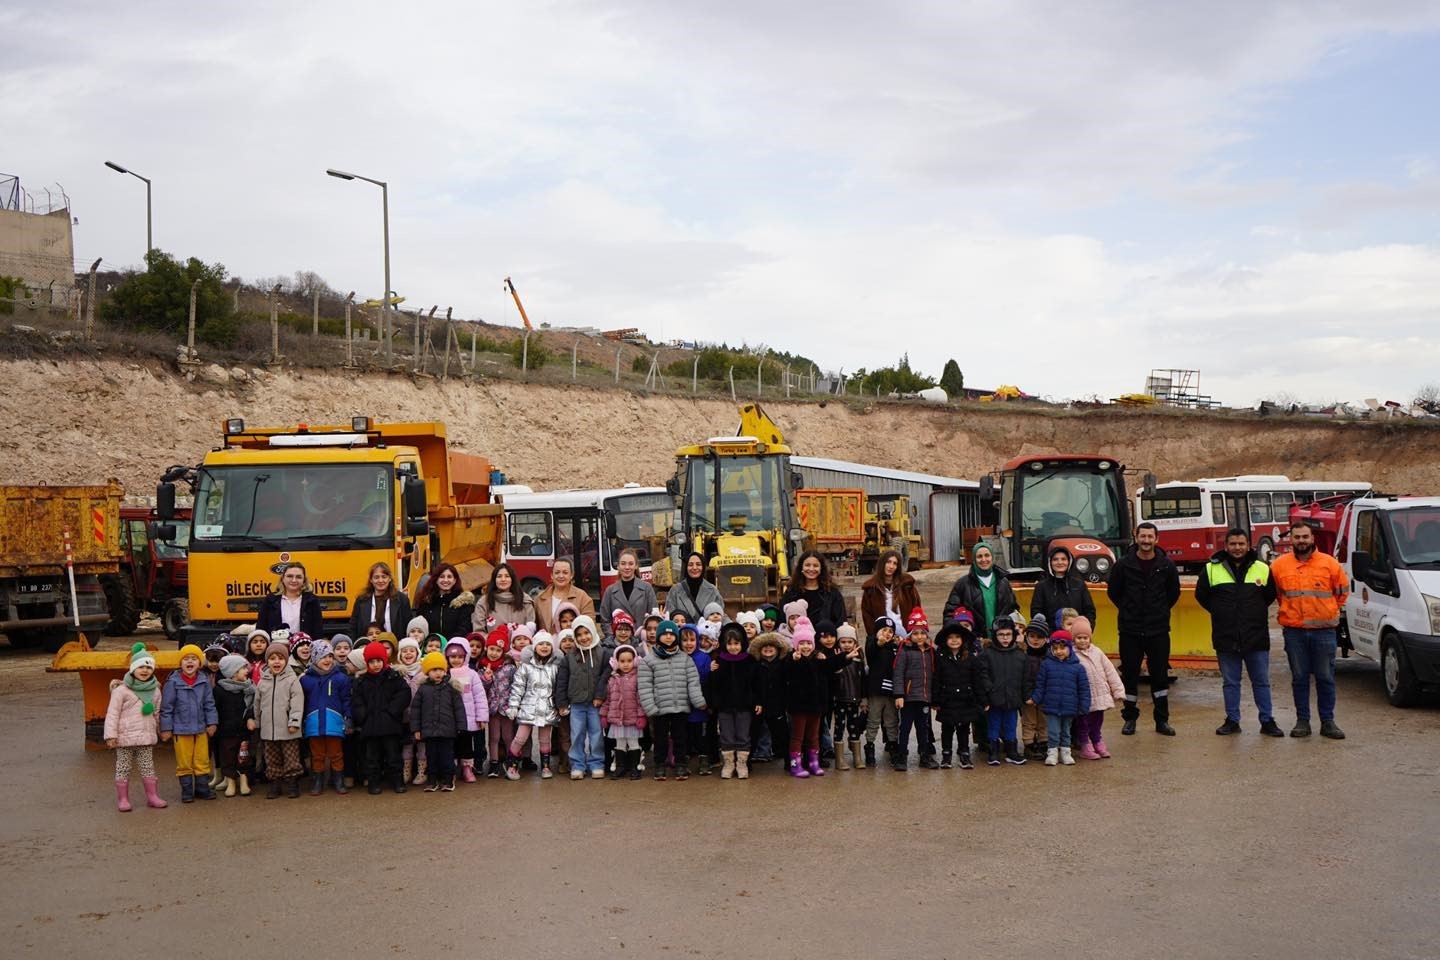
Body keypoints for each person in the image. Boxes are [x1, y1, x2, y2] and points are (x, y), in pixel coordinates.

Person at [1195, 527, 1284, 738]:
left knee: (1261, 681)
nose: (1237, 548)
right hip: (1226, 636)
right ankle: (1232, 720)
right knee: (1230, 682)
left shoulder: (1262, 568)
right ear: (1226, 546)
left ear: (1248, 545)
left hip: (1256, 636)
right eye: (1233, 544)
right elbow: (1202, 597)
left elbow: (1269, 596)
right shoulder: (1210, 569)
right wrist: (1222, 612)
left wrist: (1249, 614)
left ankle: (1267, 720)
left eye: (1241, 544)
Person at [1271, 520, 1349, 740]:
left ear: (1312, 538)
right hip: (1294, 632)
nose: (1301, 541)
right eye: (1297, 537)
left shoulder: (1330, 564)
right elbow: (1276, 594)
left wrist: (1328, 611)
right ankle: (1302, 721)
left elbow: (1342, 593)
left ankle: (1328, 722)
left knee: (1325, 677)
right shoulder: (1279, 566)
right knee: (1299, 678)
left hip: (1324, 632)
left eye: (1305, 537)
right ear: (1291, 539)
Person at [1107, 522, 1182, 736]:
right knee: (1129, 675)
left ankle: (1162, 721)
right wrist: (1129, 609)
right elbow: (1114, 592)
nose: (1146, 540)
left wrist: (1158, 610)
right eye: (1143, 536)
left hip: (1157, 630)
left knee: (1159, 676)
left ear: (1156, 539)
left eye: (1150, 537)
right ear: (1136, 537)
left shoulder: (1166, 565)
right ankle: (1130, 718)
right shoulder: (1122, 565)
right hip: (1130, 630)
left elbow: (1173, 593)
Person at [638, 620, 706, 781]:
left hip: (680, 707)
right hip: (660, 709)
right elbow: (644, 686)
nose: (668, 637)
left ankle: (681, 765)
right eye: (665, 634)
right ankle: (660, 766)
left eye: (671, 634)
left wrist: (699, 701)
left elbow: (693, 682)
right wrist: (650, 707)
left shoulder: (685, 659)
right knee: (660, 739)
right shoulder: (649, 661)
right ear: (659, 636)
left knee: (681, 738)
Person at [104, 643, 168, 811]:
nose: (145, 670)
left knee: (148, 768)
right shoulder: (121, 691)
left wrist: (162, 731)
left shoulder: (155, 691)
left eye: (148, 667)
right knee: (123, 768)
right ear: (133, 668)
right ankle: (123, 799)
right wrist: (111, 735)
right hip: (124, 738)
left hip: (145, 737)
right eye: (141, 666)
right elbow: (112, 714)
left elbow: (157, 713)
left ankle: (152, 797)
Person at [160, 644, 219, 803]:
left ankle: (202, 788)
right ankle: (186, 791)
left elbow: (209, 704)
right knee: (184, 761)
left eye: (194, 659)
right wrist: (166, 728)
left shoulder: (203, 681)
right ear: (181, 663)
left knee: (202, 760)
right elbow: (166, 708)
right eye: (186, 659)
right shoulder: (172, 682)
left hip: (200, 729)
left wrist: (212, 723)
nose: (190, 662)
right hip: (181, 730)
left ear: (199, 663)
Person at [555, 614, 612, 780]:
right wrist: (562, 703)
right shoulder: (569, 658)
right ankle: (578, 765)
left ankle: (596, 763)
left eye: (586, 633)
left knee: (596, 735)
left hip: (595, 703)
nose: (583, 637)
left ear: (593, 632)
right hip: (576, 704)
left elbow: (605, 677)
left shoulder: (603, 654)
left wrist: (600, 696)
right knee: (577, 734)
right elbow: (562, 681)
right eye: (579, 635)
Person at [351, 640, 411, 795]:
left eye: (378, 661)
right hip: (370, 727)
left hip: (390, 725)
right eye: (372, 662)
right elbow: (357, 702)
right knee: (372, 758)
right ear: (367, 663)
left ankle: (397, 782)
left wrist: (392, 711)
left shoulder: (394, 676)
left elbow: (404, 693)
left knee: (393, 756)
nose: (376, 664)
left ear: (384, 660)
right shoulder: (361, 681)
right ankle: (374, 782)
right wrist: (363, 716)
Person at [933, 618, 989, 770]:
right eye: (950, 638)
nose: (954, 640)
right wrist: (935, 700)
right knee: (947, 728)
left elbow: (977, 681)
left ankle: (964, 753)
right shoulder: (940, 658)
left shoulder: (971, 658)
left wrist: (983, 700)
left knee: (964, 728)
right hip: (947, 700)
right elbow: (936, 680)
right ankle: (946, 754)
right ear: (945, 640)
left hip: (966, 699)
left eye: (957, 637)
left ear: (963, 639)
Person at [505, 631, 561, 780]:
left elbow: (558, 690)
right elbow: (518, 688)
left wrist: (560, 705)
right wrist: (513, 706)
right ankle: (512, 765)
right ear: (534, 647)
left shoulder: (555, 668)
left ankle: (545, 766)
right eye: (541, 644)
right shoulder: (525, 667)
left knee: (545, 740)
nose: (544, 647)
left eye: (548, 644)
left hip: (547, 709)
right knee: (520, 738)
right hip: (528, 708)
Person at [1031, 630, 1091, 766]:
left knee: (1066, 731)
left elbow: (1084, 689)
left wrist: (1084, 706)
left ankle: (1066, 753)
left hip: (1070, 706)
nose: (1059, 651)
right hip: (1051, 706)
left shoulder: (1078, 668)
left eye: (1062, 648)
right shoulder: (1046, 665)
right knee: (1053, 731)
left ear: (1069, 648)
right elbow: (1041, 684)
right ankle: (1052, 753)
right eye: (1055, 648)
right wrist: (1035, 698)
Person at [254, 639, 305, 799]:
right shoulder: (263, 681)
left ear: (286, 660)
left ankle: (292, 783)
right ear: (267, 661)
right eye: (273, 658)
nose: (277, 662)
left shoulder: (292, 680)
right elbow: (257, 703)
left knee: (291, 758)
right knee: (271, 758)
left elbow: (297, 702)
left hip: (288, 728)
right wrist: (257, 722)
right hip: (269, 729)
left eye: (280, 658)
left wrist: (295, 721)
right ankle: (275, 783)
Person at [1069, 617, 1125, 759]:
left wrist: (1118, 690)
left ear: (1090, 637)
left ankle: (1097, 741)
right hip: (1083, 698)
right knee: (1083, 723)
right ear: (1074, 639)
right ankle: (1085, 744)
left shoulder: (1097, 652)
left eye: (1085, 637)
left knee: (1097, 722)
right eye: (1079, 637)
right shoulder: (1071, 655)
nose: (1082, 640)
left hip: (1099, 695)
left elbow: (1110, 671)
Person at [300, 638, 351, 795]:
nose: (327, 660)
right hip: (314, 723)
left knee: (336, 754)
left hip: (334, 722)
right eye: (323, 657)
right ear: (315, 658)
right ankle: (317, 781)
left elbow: (347, 700)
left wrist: (348, 718)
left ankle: (338, 780)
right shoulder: (305, 680)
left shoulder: (340, 678)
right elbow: (301, 703)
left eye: (330, 656)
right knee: (317, 754)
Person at [412, 650, 466, 792]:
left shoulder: (451, 688)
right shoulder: (423, 689)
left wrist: (461, 726)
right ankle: (432, 780)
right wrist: (416, 729)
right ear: (427, 672)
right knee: (432, 757)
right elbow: (416, 710)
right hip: (429, 731)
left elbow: (459, 708)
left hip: (447, 731)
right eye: (434, 670)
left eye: (441, 669)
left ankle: (448, 780)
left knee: (447, 756)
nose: (438, 673)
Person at [891, 610, 938, 771]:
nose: (919, 636)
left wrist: (934, 696)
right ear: (910, 634)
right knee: (905, 728)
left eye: (922, 633)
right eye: (915, 633)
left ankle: (924, 755)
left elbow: (934, 675)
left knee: (923, 728)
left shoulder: (931, 652)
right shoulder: (904, 651)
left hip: (924, 697)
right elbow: (898, 673)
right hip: (908, 697)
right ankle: (901, 756)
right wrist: (899, 694)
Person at [709, 622, 757, 779]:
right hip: (725, 707)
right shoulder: (718, 661)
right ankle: (728, 763)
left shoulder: (749, 661)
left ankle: (741, 763)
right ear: (724, 644)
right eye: (729, 644)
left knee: (743, 735)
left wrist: (757, 701)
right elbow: (714, 685)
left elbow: (756, 684)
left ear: (742, 643)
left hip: (744, 706)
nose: (733, 647)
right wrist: (713, 672)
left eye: (736, 644)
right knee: (726, 735)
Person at [783, 616, 829, 778]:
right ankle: (796, 765)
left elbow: (826, 676)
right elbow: (785, 674)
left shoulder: (817, 659)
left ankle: (813, 763)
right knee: (797, 736)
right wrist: (792, 661)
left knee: (813, 736)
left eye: (808, 643)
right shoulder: (791, 659)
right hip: (798, 706)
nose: (805, 646)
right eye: (801, 643)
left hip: (815, 706)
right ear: (796, 645)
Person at [943, 544, 1020, 640]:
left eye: (987, 555)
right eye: (979, 556)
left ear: (992, 557)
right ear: (974, 560)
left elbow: (1013, 609)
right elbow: (950, 613)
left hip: (1001, 641)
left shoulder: (1003, 582)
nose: (984, 560)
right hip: (974, 641)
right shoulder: (963, 584)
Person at [982, 617, 1028, 765]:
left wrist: (1024, 695)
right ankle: (993, 751)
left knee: (1011, 725)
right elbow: (983, 675)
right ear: (995, 635)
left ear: (1013, 635)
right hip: (994, 699)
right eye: (1001, 635)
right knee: (994, 725)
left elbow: (1024, 678)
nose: (1005, 638)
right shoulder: (987, 654)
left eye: (1008, 634)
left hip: (1013, 699)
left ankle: (1012, 751)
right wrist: (989, 692)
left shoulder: (1020, 655)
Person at [444, 636, 489, 783]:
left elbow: (479, 696)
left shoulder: (472, 674)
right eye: (452, 657)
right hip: (449, 719)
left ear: (466, 656)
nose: (456, 660)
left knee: (466, 744)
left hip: (467, 718)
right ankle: (452, 768)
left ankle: (467, 768)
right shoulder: (444, 674)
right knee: (451, 745)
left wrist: (481, 717)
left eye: (459, 657)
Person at [601, 644, 646, 780]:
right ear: (616, 662)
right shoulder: (612, 679)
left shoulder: (638, 678)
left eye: (629, 661)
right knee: (619, 743)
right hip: (617, 720)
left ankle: (635, 767)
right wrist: (604, 714)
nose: (626, 664)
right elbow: (608, 698)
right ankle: (620, 767)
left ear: (635, 661)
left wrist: (641, 715)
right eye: (622, 661)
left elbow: (640, 698)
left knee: (633, 743)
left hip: (632, 719)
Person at [212, 653, 255, 796]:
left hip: (243, 731)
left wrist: (250, 718)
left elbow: (251, 706)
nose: (247, 670)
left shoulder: (248, 689)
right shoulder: (219, 690)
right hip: (226, 732)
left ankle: (244, 782)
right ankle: (230, 782)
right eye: (243, 668)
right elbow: (215, 709)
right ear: (233, 672)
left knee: (244, 757)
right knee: (227, 758)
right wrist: (214, 725)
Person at [478, 625, 518, 777]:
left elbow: (516, 686)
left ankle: (510, 761)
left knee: (508, 737)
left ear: (503, 651)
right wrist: (486, 679)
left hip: (507, 708)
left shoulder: (509, 668)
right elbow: (481, 689)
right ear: (487, 648)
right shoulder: (481, 667)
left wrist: (514, 705)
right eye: (491, 649)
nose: (494, 653)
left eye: (498, 650)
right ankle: (494, 763)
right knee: (494, 737)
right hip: (493, 709)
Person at [863, 615, 901, 768]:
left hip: (891, 691)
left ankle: (892, 746)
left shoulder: (894, 647)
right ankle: (870, 747)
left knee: (891, 721)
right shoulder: (872, 642)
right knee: (873, 720)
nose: (887, 633)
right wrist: (879, 643)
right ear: (877, 631)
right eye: (884, 630)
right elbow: (870, 653)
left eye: (890, 631)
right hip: (876, 690)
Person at [1030, 546, 1097, 631]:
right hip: (1050, 636)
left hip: (1076, 636)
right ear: (1050, 562)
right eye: (1055, 559)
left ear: (1069, 562)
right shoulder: (1041, 586)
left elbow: (1089, 611)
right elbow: (1036, 611)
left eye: (1063, 559)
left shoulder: (1079, 585)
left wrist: (1085, 630)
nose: (1059, 562)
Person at [598, 548, 659, 640]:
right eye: (623, 564)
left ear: (636, 566)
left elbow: (653, 617)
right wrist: (613, 638)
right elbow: (605, 620)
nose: (627, 567)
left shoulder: (647, 588)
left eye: (631, 564)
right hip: (618, 643)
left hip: (641, 641)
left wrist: (646, 636)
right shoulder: (610, 591)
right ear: (618, 566)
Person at [749, 631, 790, 766]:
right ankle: (747, 762)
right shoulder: (755, 665)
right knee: (753, 734)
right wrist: (756, 702)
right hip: (759, 706)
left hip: (777, 705)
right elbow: (751, 686)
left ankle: (789, 762)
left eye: (771, 646)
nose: (768, 648)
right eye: (764, 646)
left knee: (782, 735)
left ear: (778, 649)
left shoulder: (783, 664)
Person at [830, 625, 867, 770]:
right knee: (839, 728)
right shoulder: (835, 659)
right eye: (843, 642)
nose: (846, 645)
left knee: (854, 727)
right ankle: (839, 759)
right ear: (838, 643)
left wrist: (864, 699)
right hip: (840, 699)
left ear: (855, 643)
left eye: (850, 642)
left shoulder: (859, 660)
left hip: (855, 700)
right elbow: (833, 679)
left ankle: (857, 757)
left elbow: (863, 681)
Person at [256, 562, 324, 638]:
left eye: (298, 577)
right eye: (289, 576)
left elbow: (318, 630)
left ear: (304, 580)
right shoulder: (270, 600)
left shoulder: (312, 600)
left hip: (305, 648)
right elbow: (261, 629)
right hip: (277, 648)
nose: (294, 580)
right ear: (282, 578)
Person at [780, 550, 848, 627]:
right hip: (797, 637)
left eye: (815, 565)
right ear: (801, 567)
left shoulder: (832, 593)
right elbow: (783, 619)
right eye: (807, 565)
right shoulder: (791, 592)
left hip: (825, 637)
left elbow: (840, 620)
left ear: (821, 568)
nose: (811, 569)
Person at [680, 626, 713, 776]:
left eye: (692, 640)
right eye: (685, 640)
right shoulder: (678, 657)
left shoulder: (704, 657)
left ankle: (704, 761)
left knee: (702, 736)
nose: (688, 643)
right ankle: (684, 762)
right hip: (682, 704)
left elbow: (707, 680)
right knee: (684, 736)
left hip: (700, 705)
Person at [349, 562, 412, 638]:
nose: (380, 580)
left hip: (395, 646)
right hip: (366, 646)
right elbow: (353, 627)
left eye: (384, 577)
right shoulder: (361, 600)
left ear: (390, 578)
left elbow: (408, 626)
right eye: (376, 577)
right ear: (371, 580)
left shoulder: (402, 600)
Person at [413, 563, 476, 639]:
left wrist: (448, 644)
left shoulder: (464, 604)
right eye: (442, 577)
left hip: (454, 647)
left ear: (454, 580)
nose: (446, 580)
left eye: (449, 577)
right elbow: (421, 628)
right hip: (431, 647)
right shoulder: (426, 602)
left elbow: (464, 629)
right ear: (436, 580)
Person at [534, 558, 595, 633]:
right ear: (552, 576)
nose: (561, 576)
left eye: (565, 572)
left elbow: (589, 628)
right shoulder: (539, 598)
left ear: (571, 575)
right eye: (557, 572)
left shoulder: (583, 598)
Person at [473, 562, 537, 633]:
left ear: (512, 579)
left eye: (507, 576)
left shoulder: (525, 601)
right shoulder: (484, 602)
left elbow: (530, 629)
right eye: (499, 576)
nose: (503, 579)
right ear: (494, 579)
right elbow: (479, 631)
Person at [1019, 615, 1050, 760]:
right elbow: (1022, 679)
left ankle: (1044, 743)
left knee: (1044, 720)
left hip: (1045, 695)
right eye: (1032, 636)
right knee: (1029, 721)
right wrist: (1027, 695)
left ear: (1046, 638)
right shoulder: (1023, 656)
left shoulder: (1049, 656)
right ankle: (1029, 744)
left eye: (1039, 636)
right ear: (1026, 637)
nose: (1035, 640)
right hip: (1028, 697)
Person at [664, 551, 724, 623]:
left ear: (703, 567)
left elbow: (721, 615)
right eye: (690, 565)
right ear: (686, 567)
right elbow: (669, 617)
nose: (694, 568)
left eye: (698, 564)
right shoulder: (675, 591)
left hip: (706, 633)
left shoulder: (713, 590)